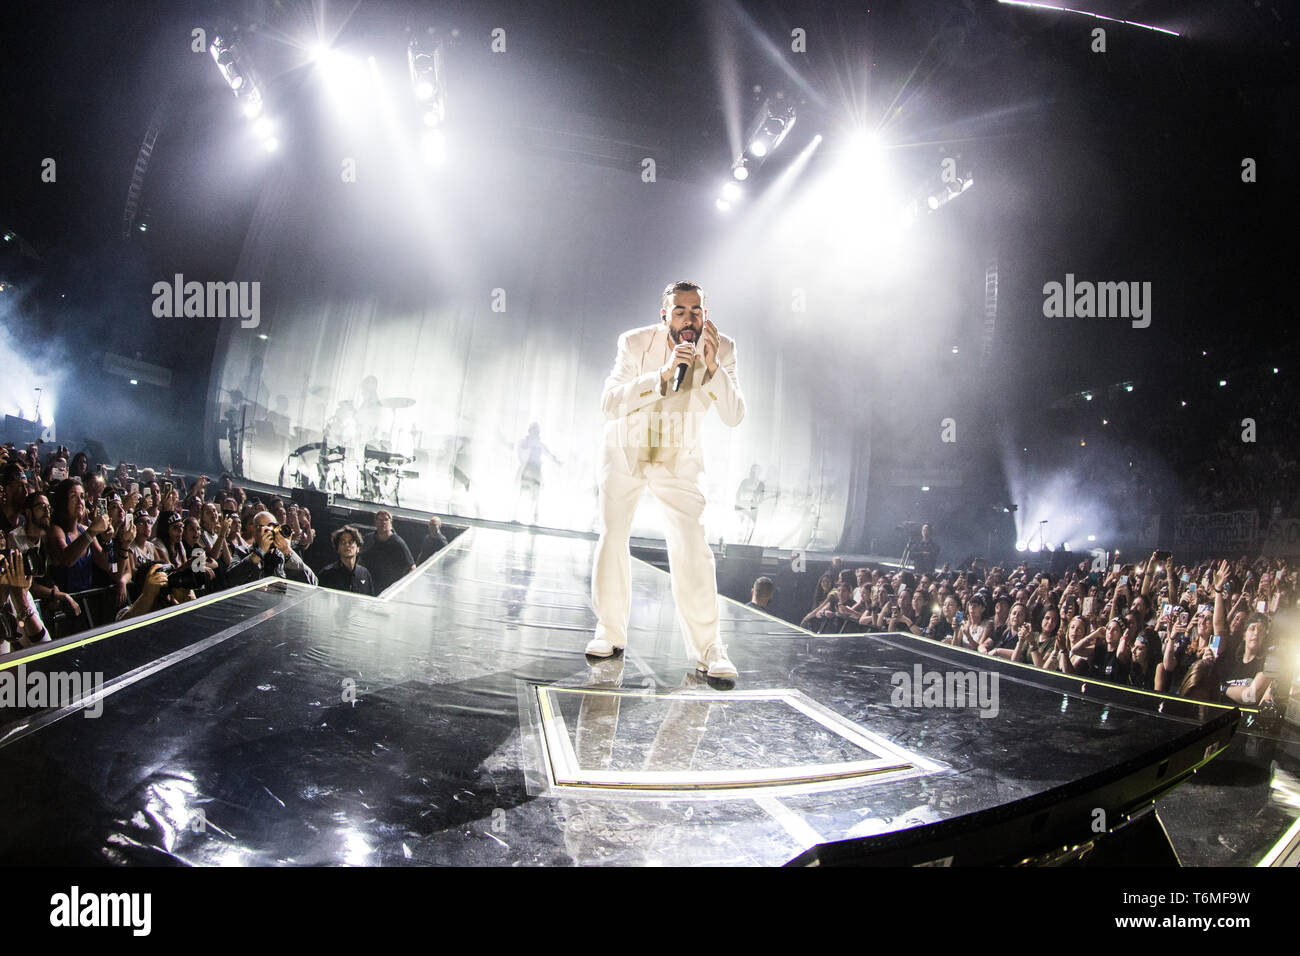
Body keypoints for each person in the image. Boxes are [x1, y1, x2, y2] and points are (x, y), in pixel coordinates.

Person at [588, 280, 745, 679]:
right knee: (612, 536)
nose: (689, 319)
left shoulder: (723, 348)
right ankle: (609, 631)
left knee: (693, 546)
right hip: (626, 451)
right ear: (665, 315)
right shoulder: (635, 342)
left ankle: (709, 648)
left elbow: (734, 415)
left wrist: (711, 369)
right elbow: (609, 403)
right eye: (680, 311)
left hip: (679, 458)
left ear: (704, 313)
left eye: (696, 311)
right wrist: (661, 376)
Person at [225, 511, 319, 586]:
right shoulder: (242, 551)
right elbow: (231, 580)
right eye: (265, 528)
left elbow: (312, 583)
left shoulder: (284, 556)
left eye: (273, 527)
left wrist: (287, 551)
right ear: (254, 531)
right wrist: (259, 552)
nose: (270, 532)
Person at [361, 510, 415, 594]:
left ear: (391, 522)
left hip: (388, 589)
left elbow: (412, 567)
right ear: (375, 522)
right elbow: (359, 560)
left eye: (386, 520)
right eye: (380, 520)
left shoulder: (398, 543)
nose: (383, 523)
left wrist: (401, 587)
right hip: (369, 586)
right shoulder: (368, 538)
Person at [318, 525, 375, 595]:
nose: (347, 545)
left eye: (351, 542)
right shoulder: (326, 574)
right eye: (343, 542)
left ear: (358, 548)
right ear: (338, 549)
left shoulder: (365, 573)